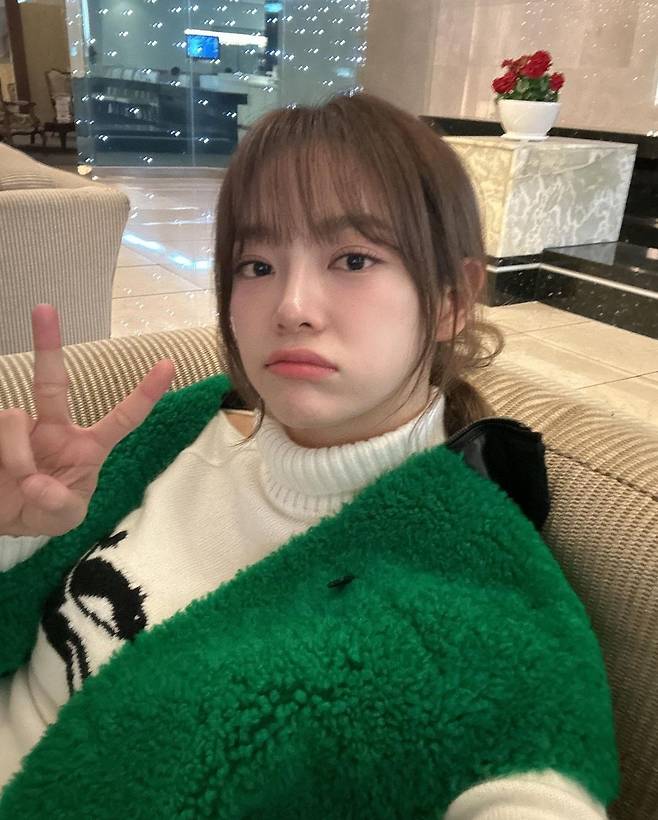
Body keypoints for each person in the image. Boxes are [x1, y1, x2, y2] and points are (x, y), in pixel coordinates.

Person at [0, 93, 618, 818]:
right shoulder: (186, 425)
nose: (291, 307)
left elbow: (527, 764)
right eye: (256, 264)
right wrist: (16, 534)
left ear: (452, 300)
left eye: (353, 259)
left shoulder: (472, 592)